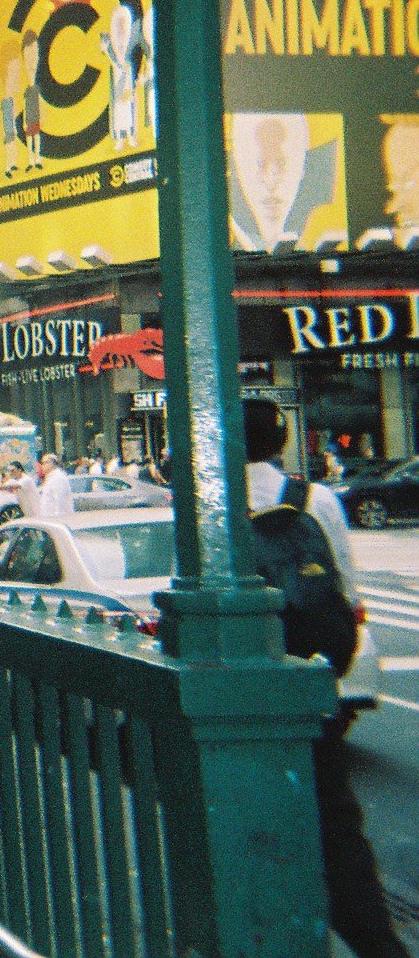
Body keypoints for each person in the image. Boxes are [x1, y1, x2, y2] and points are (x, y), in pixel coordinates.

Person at [243, 398, 409, 958]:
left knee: (246, 829)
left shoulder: (202, 508)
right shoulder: (317, 500)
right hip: (316, 689)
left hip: (242, 697)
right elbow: (348, 593)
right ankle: (375, 942)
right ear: (281, 440)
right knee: (336, 828)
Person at [36, 453, 75, 517]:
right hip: (50, 518)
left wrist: (58, 517)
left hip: (57, 519)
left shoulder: (58, 478)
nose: (42, 466)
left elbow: (60, 500)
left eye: (43, 463)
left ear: (51, 463)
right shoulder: (50, 477)